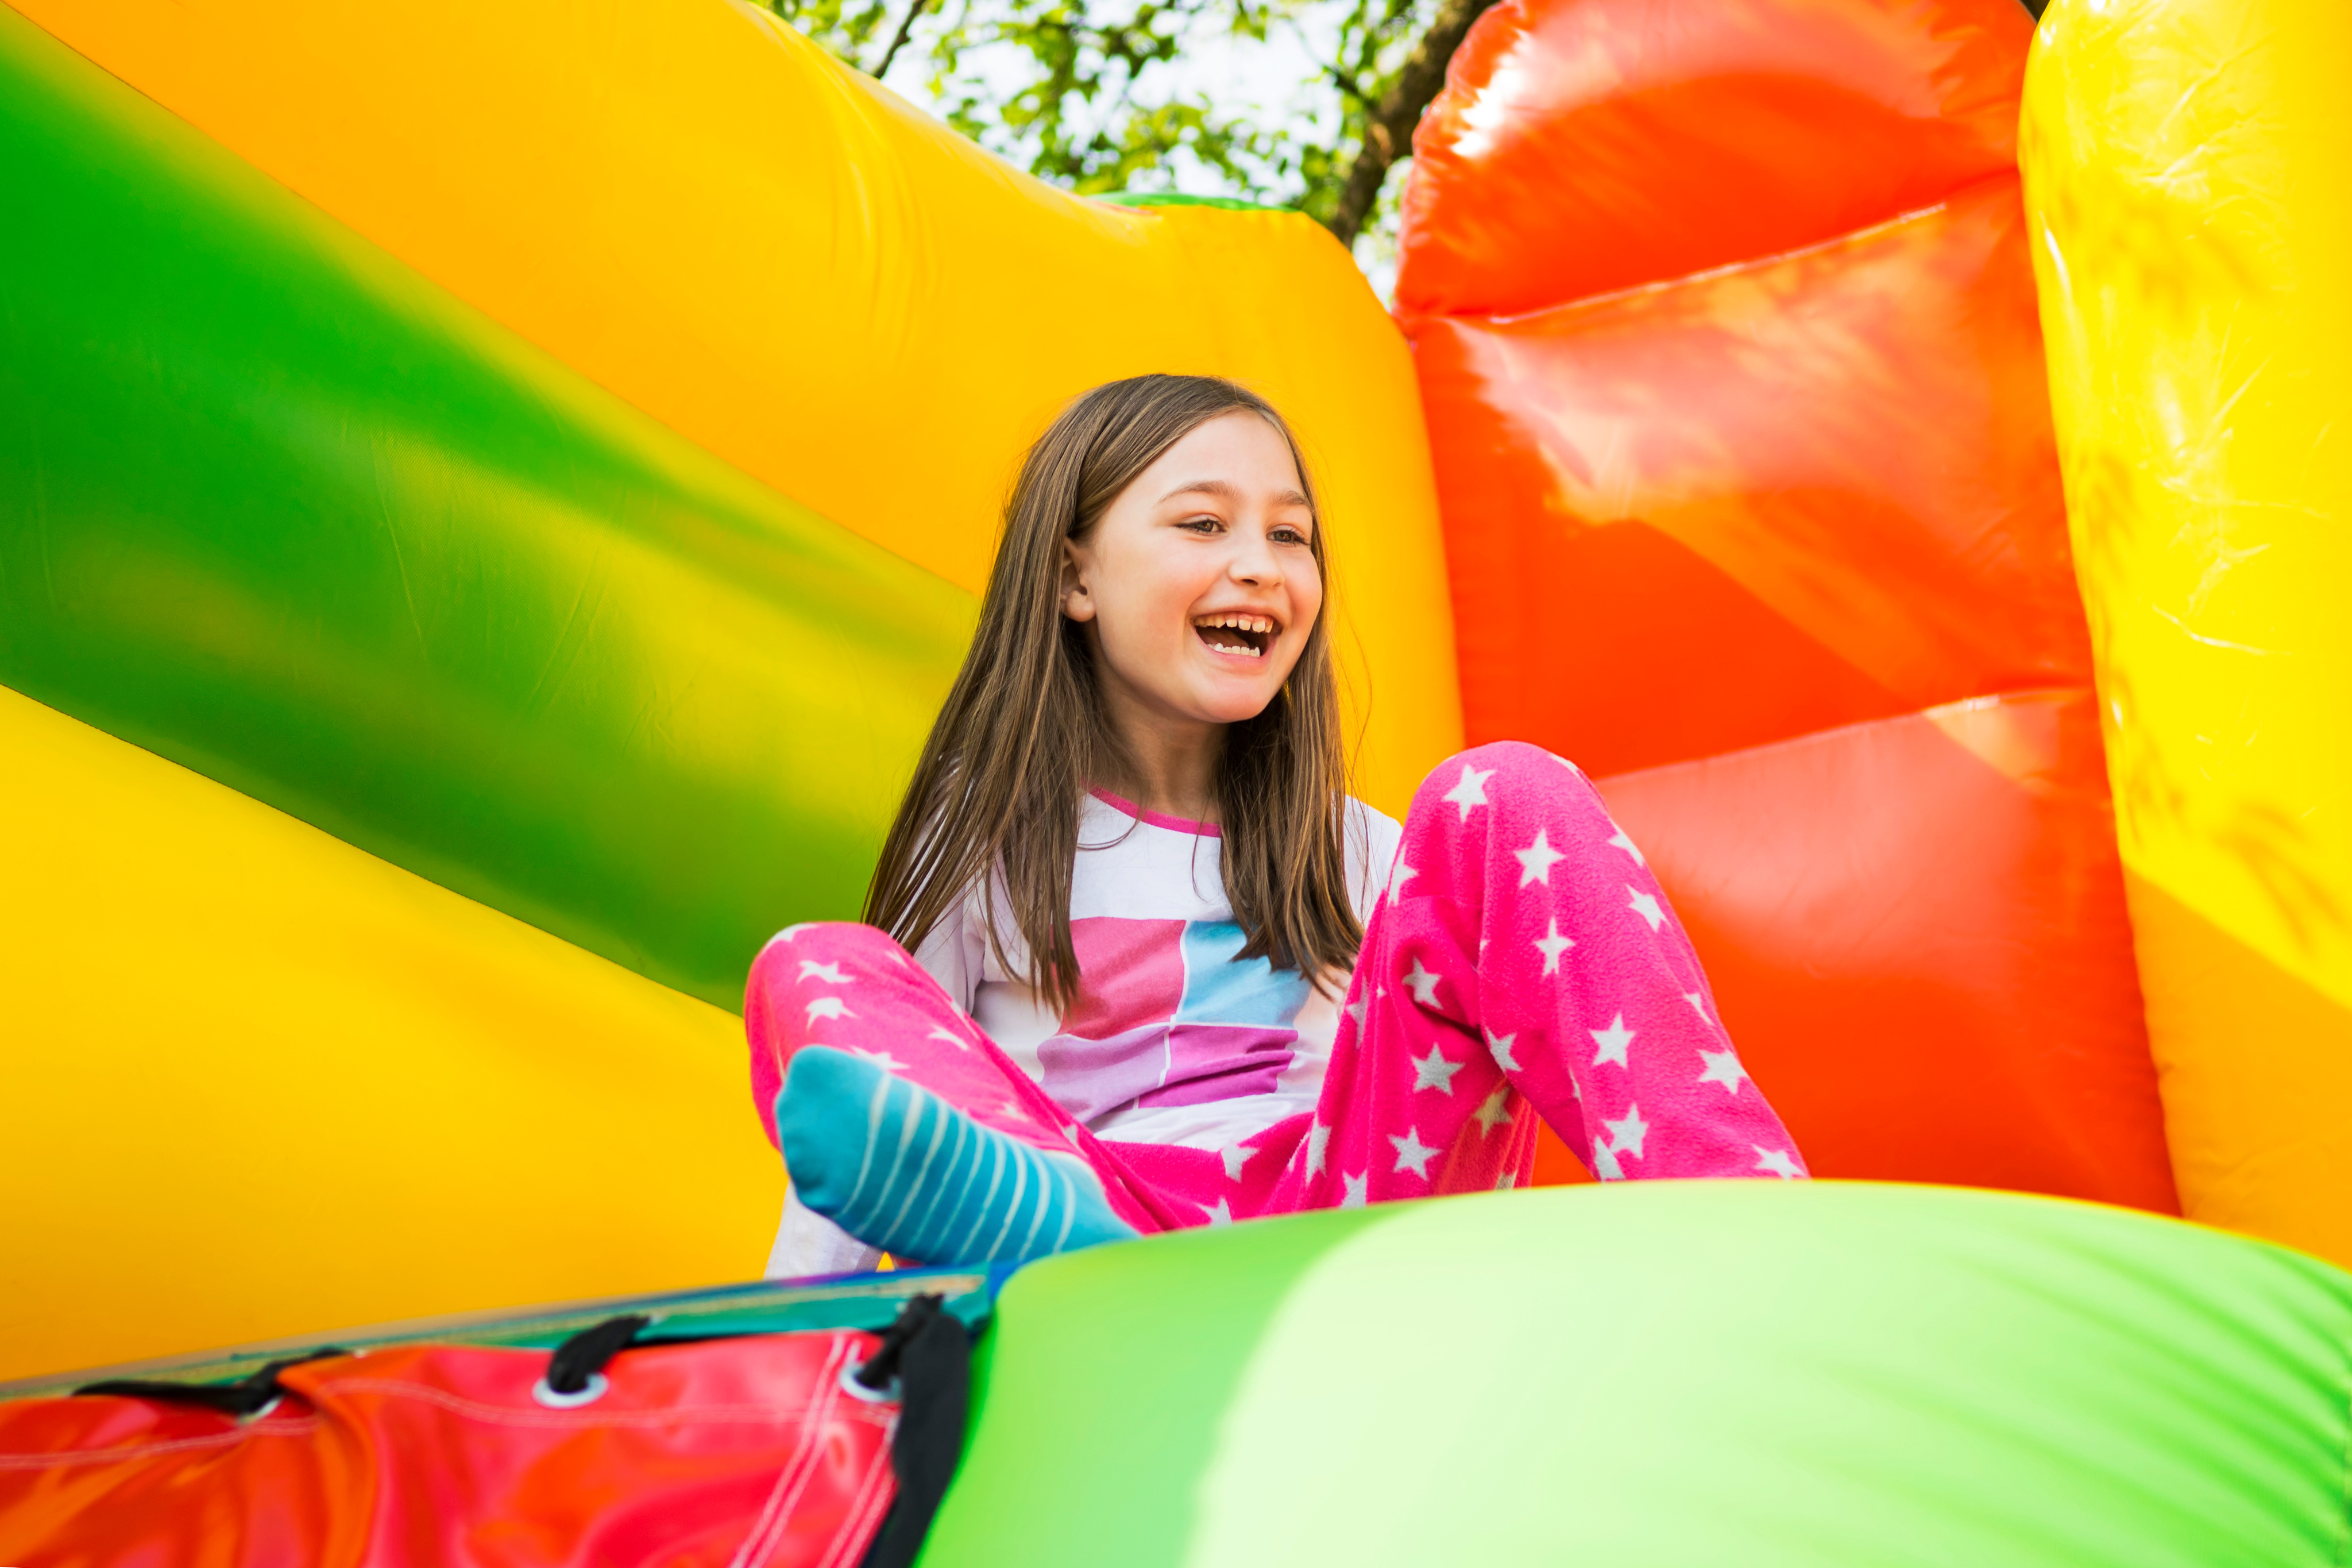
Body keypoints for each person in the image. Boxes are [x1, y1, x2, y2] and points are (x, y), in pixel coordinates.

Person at [746, 374, 1807, 1276]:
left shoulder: (1368, 855)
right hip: (1095, 1224)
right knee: (817, 963)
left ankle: (1749, 1227)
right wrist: (803, 1350)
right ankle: (1057, 1238)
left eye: (1289, 534)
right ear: (1074, 576)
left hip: (1341, 1221)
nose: (1259, 562)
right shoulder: (993, 836)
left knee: (1503, 791)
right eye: (1204, 523)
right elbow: (878, 1083)